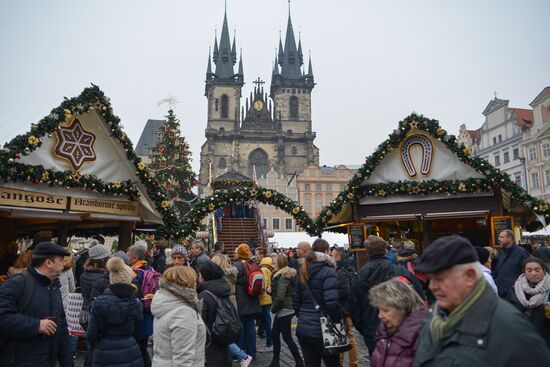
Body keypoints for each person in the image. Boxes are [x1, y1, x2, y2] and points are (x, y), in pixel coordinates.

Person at [412, 235, 550, 366]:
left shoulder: (510, 328)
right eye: (431, 279)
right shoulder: (433, 316)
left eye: (440, 279)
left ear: (470, 276)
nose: (432, 286)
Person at [0, 241, 73, 366]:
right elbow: (3, 317)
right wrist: (37, 325)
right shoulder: (18, 284)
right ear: (48, 263)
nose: (64, 263)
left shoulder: (54, 286)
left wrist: (68, 363)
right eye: (61, 260)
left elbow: (61, 328)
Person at [350, 235, 423, 355]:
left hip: (372, 331)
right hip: (399, 329)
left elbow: (354, 307)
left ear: (368, 252)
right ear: (385, 250)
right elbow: (418, 297)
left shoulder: (360, 275)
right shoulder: (399, 270)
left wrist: (365, 330)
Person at [87, 257, 144, 367]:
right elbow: (138, 330)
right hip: (130, 350)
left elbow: (91, 334)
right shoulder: (136, 303)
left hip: (104, 351)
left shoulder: (99, 303)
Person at [293, 238, 340, 367]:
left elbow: (295, 301)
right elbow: (332, 304)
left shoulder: (302, 270)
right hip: (324, 327)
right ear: (326, 252)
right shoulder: (329, 272)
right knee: (332, 363)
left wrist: (302, 315)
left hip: (304, 326)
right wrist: (337, 322)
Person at [152, 266, 206, 366]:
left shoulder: (165, 302)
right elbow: (183, 358)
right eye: (194, 280)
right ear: (187, 283)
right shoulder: (183, 312)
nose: (196, 283)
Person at [368, 278, 426, 367]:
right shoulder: (384, 331)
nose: (380, 315)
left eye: (385, 310)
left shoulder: (423, 335)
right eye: (379, 310)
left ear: (402, 308)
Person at [269, 253, 304, 367]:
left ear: (280, 264)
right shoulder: (286, 274)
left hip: (283, 309)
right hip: (285, 308)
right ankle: (276, 361)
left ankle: (298, 361)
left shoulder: (282, 276)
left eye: (274, 263)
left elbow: (280, 297)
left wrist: (273, 309)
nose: (272, 265)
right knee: (276, 335)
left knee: (286, 337)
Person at [197, 261, 234, 367]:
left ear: (205, 277)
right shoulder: (222, 289)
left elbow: (201, 322)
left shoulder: (204, 295)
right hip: (223, 344)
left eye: (200, 274)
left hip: (209, 348)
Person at [507, 257, 550, 347]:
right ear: (524, 272)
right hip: (520, 339)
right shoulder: (515, 289)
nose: (533, 273)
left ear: (544, 270)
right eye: (529, 270)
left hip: (545, 340)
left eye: (537, 270)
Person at [128, 241, 157, 367]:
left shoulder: (134, 273)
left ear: (134, 258)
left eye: (128, 256)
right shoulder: (150, 269)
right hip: (148, 312)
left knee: (138, 348)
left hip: (137, 315)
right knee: (143, 346)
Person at [233, 243, 261, 360]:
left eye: (235, 252)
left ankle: (240, 354)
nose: (234, 254)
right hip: (253, 299)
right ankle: (252, 353)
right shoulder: (254, 263)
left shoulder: (237, 266)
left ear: (239, 254)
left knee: (240, 327)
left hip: (241, 301)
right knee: (250, 328)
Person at [332, 247, 358, 367]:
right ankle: (350, 363)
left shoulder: (341, 271)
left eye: (332, 255)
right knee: (346, 336)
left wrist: (332, 293)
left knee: (345, 336)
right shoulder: (349, 268)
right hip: (349, 307)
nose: (331, 257)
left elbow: (345, 291)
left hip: (344, 308)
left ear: (338, 257)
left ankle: (349, 363)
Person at [493, 229, 529, 298]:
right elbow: (497, 270)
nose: (499, 239)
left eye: (501, 237)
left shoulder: (521, 253)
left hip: (513, 294)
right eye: (499, 237)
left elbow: (527, 272)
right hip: (500, 293)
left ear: (509, 238)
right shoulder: (501, 253)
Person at [256, 247, 273, 351]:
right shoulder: (269, 264)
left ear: (261, 255)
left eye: (257, 254)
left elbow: (264, 285)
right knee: (265, 319)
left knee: (267, 321)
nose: (256, 256)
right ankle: (262, 333)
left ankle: (270, 343)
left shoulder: (263, 268)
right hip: (269, 297)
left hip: (264, 298)